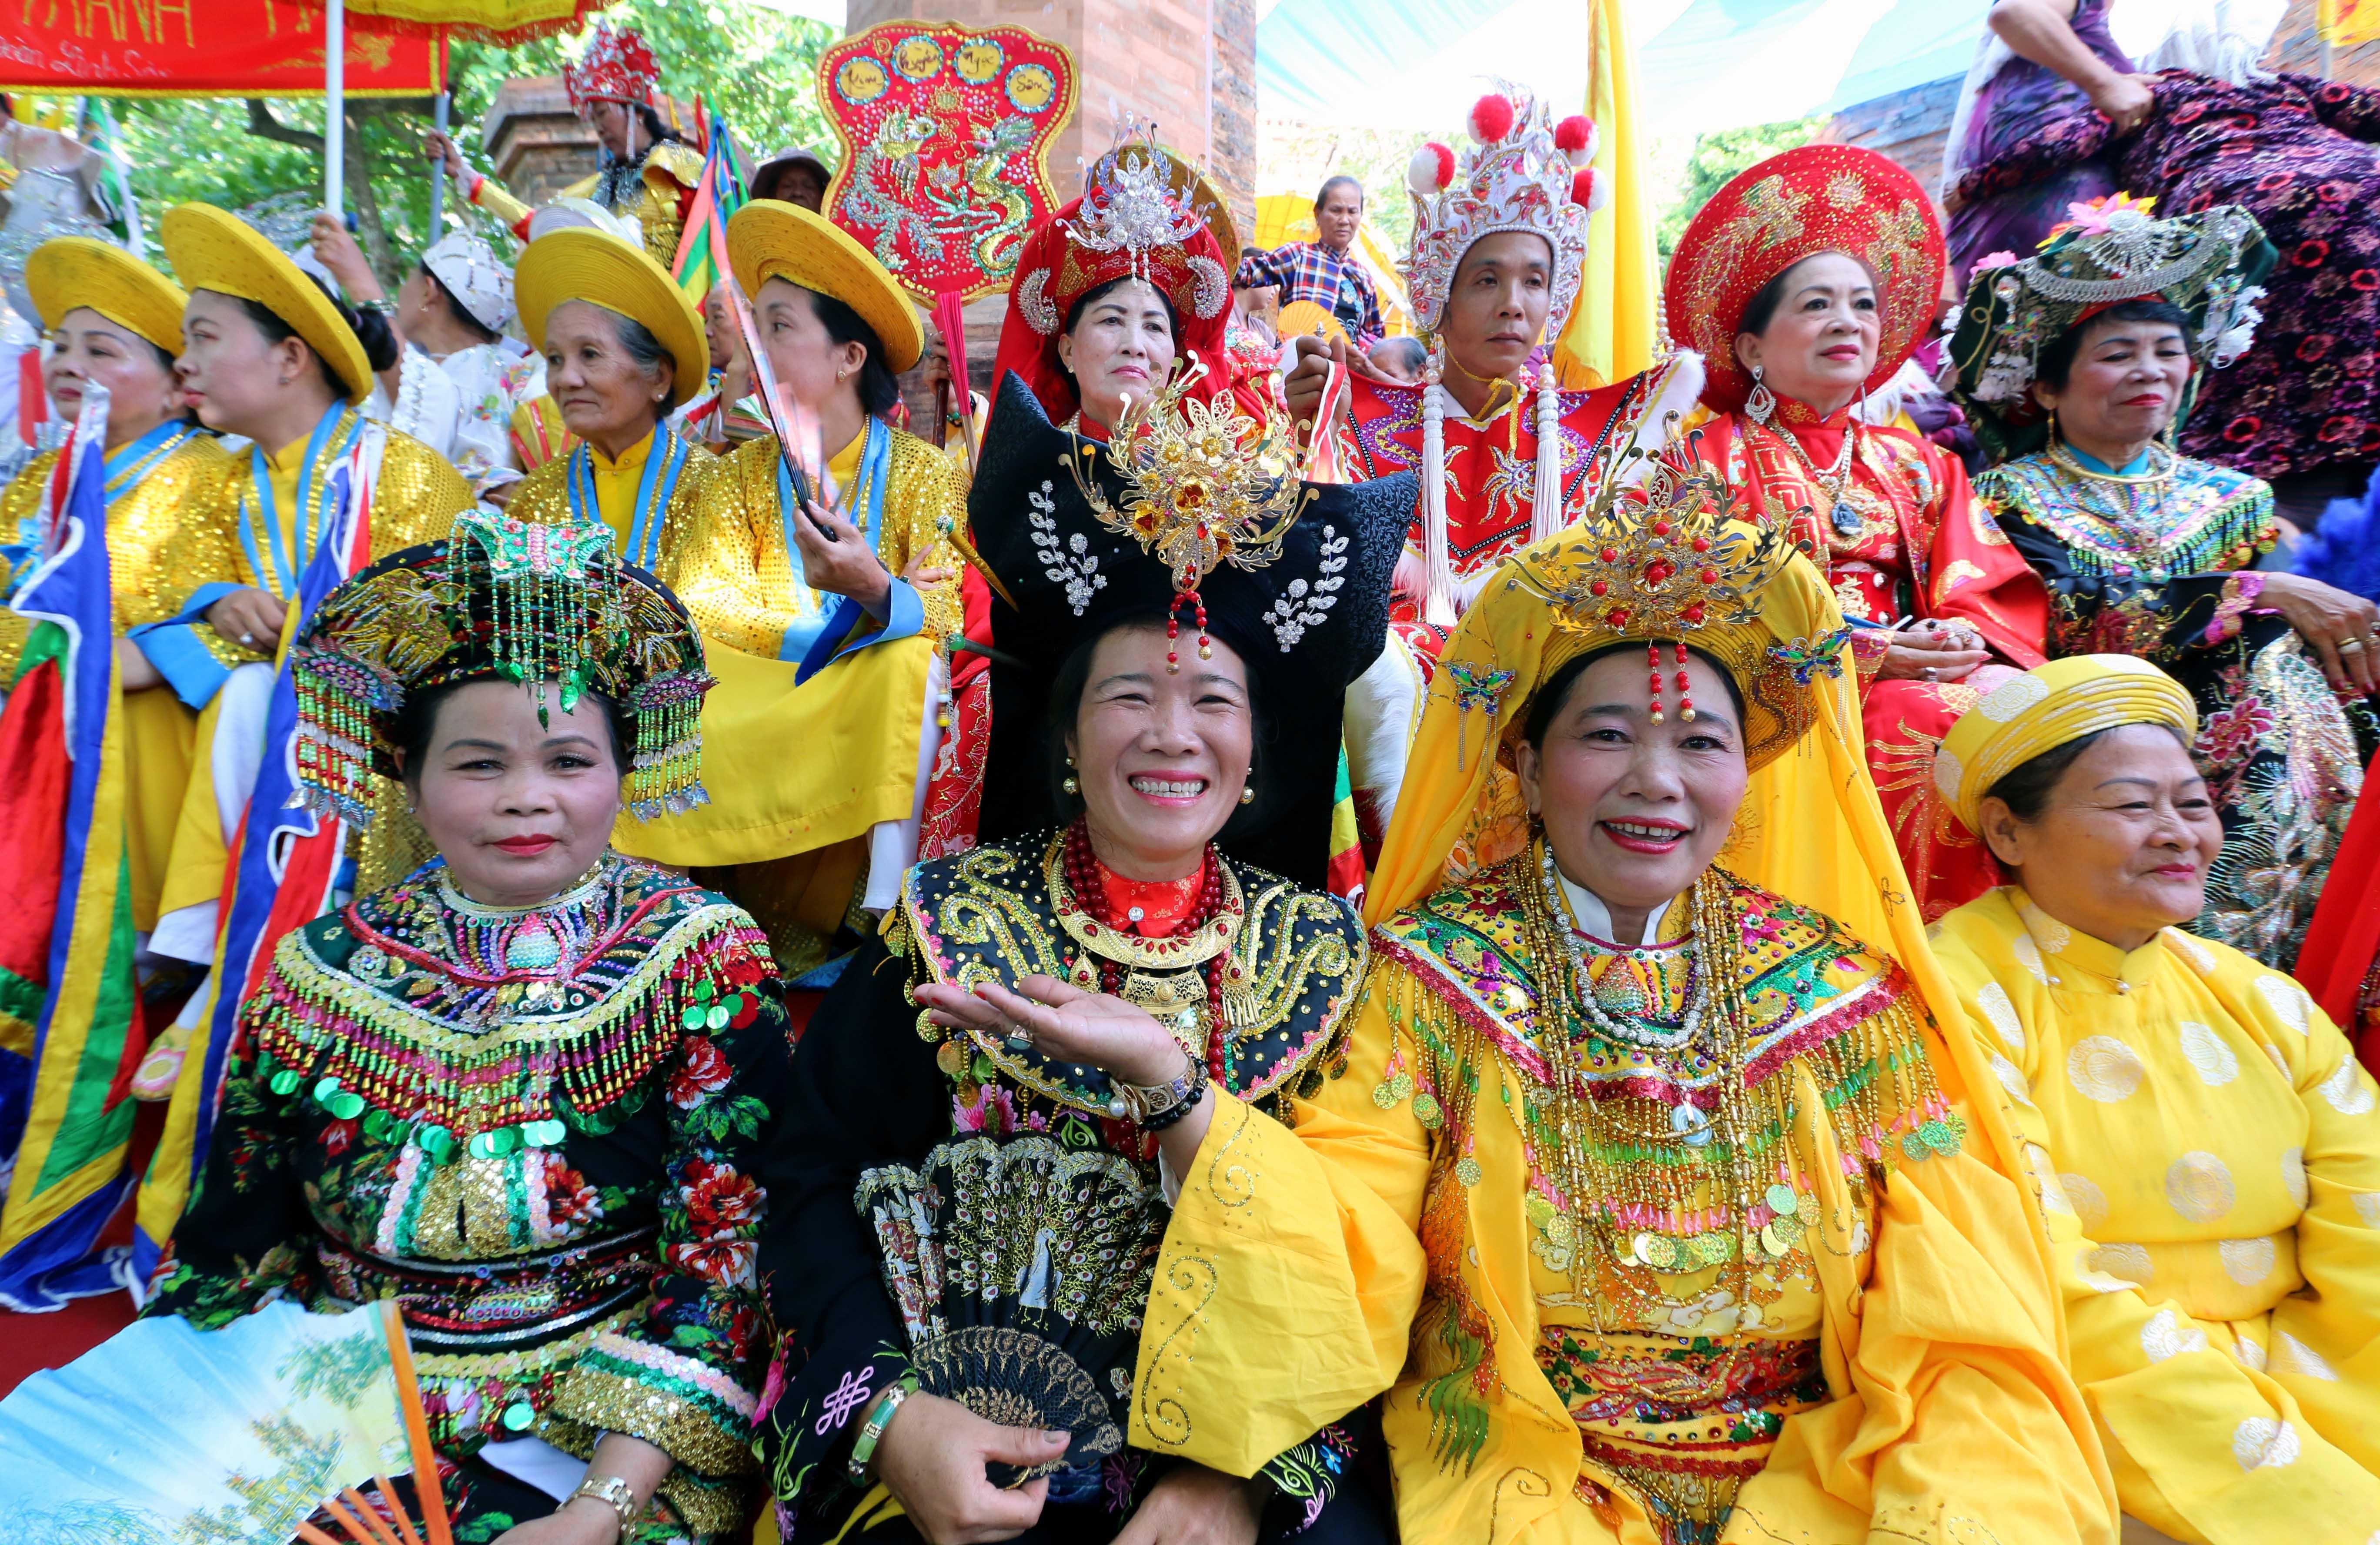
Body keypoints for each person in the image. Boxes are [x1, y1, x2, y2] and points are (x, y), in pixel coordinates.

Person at [1043, 468, 2115, 1544]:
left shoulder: (1839, 992)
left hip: (1823, 1480)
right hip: (1527, 1476)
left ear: (1748, 773)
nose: (1656, 779)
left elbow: (1959, 1325)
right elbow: (1345, 1236)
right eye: (1605, 736)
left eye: (1701, 743)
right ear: (1523, 759)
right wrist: (1178, 1091)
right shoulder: (1428, 980)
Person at [752, 368, 1415, 1544]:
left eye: (1214, 697)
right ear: (1065, 735)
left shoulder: (1326, 961)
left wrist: (1247, 1477)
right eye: (1127, 696)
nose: (1172, 734)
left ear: (1260, 748)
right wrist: (896, 1421)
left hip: (1236, 1460)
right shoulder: (949, 924)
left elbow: (1374, 1260)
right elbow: (812, 1180)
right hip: (956, 1456)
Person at [144, 508, 791, 1545]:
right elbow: (237, 1247)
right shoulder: (322, 969)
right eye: (480, 764)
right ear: (409, 778)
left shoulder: (697, 954)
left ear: (624, 771)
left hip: (609, 1430)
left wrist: (600, 1508)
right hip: (337, 1414)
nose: (526, 800)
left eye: (569, 761)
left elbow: (723, 1259)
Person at [1929, 654, 2380, 1545]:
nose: (2179, 833)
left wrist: (2318, 1411)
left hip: (2306, 1375)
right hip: (2075, 1393)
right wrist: (2263, 1449)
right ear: (2007, 832)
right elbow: (2028, 1267)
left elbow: (2366, 1223)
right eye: (2135, 806)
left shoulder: (2262, 1000)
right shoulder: (1950, 992)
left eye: (2195, 803)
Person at [125, 201, 473, 1234]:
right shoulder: (209, 481)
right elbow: (145, 632)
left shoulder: (401, 474)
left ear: (288, 357)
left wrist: (264, 650)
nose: (183, 362)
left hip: (373, 770)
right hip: (247, 779)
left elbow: (432, 650)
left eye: (202, 337)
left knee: (251, 693)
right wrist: (208, 610)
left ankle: (201, 964)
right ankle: (198, 950)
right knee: (188, 696)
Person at [1950, 198, 2376, 963]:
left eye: (2164, 350)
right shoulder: (2003, 497)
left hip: (2260, 712)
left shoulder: (2232, 496)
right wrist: (2258, 595)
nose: (2147, 370)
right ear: (2047, 390)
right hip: (2096, 715)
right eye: (2116, 353)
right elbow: (2061, 614)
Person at [1291, 87, 1700, 843]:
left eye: (1534, 281)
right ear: (1438, 296)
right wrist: (1299, 423)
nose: (1514, 304)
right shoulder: (1363, 418)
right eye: (1486, 279)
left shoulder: (1605, 435)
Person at [1663, 143, 2051, 920]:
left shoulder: (1919, 463)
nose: (1847, 320)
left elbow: (1986, 589)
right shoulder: (1702, 459)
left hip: (1923, 681)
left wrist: (1958, 641)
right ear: (1750, 349)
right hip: (1768, 698)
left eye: (1862, 303)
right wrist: (1859, 655)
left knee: (2021, 713)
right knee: (1915, 717)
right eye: (1815, 304)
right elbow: (1685, 608)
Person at [650, 197, 962, 981]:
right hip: (757, 695)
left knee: (907, 668)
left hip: (862, 701)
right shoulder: (737, 475)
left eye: (780, 326)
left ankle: (891, 917)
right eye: (758, 324)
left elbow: (951, 605)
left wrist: (877, 594)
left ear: (848, 358)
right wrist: (844, 627)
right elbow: (701, 599)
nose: (757, 344)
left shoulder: (925, 473)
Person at [1940, 0, 2380, 525]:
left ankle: (2262, 460)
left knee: (2243, 339)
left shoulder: (2151, 90)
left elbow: (2053, 146)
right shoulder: (2279, 86)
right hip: (2360, 188)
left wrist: (1969, 187)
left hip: (2253, 213)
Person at [0, 237, 225, 940]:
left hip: (142, 754)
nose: (69, 364)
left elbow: (226, 626)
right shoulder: (38, 478)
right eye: (61, 345)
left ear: (174, 383)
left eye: (101, 350)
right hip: (27, 737)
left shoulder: (211, 475)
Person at [507, 222, 716, 581]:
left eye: (589, 354)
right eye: (555, 359)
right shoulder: (532, 500)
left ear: (659, 378)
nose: (566, 380)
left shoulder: (713, 487)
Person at [430, 21, 704, 271]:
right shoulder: (600, 187)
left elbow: (712, 236)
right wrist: (468, 177)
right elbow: (538, 224)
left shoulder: (678, 163)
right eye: (592, 118)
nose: (598, 127)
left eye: (602, 113)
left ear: (636, 112)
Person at [1233, 174, 1384, 348]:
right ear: (1318, 214)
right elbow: (1242, 272)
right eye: (1336, 210)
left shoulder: (1363, 278)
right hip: (1295, 369)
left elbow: (1375, 339)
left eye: (1352, 211)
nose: (1344, 220)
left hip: (1345, 374)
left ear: (1360, 216)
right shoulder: (1298, 255)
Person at [749, 146, 832, 212]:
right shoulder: (754, 233)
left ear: (823, 198)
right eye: (787, 186)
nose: (798, 193)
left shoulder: (837, 234)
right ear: (772, 195)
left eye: (809, 186)